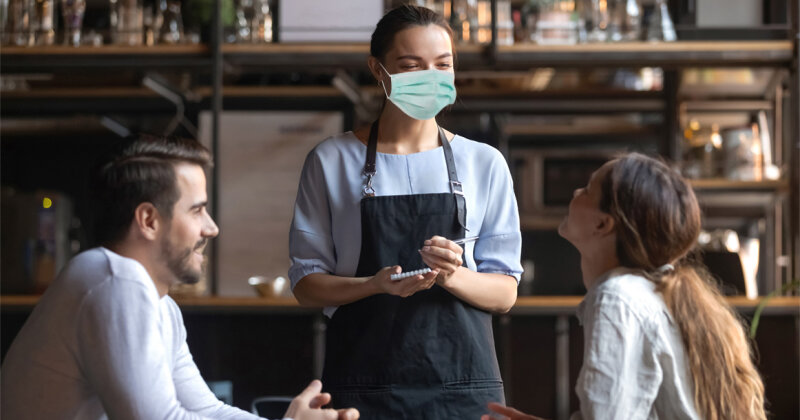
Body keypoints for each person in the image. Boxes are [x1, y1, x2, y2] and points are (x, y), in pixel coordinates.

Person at [1, 136, 359, 420]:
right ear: (149, 220)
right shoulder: (115, 279)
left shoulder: (160, 305)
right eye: (197, 210)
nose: (212, 228)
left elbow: (205, 410)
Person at [288, 5, 523, 418]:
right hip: (363, 386)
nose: (430, 78)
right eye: (412, 66)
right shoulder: (331, 160)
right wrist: (374, 285)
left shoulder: (484, 163)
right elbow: (307, 284)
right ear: (379, 70)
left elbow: (505, 292)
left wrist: (452, 274)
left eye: (443, 65)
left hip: (463, 388)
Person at [483, 153, 767, 420]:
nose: (575, 193)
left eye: (587, 190)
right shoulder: (646, 292)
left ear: (603, 224)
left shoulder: (616, 298)